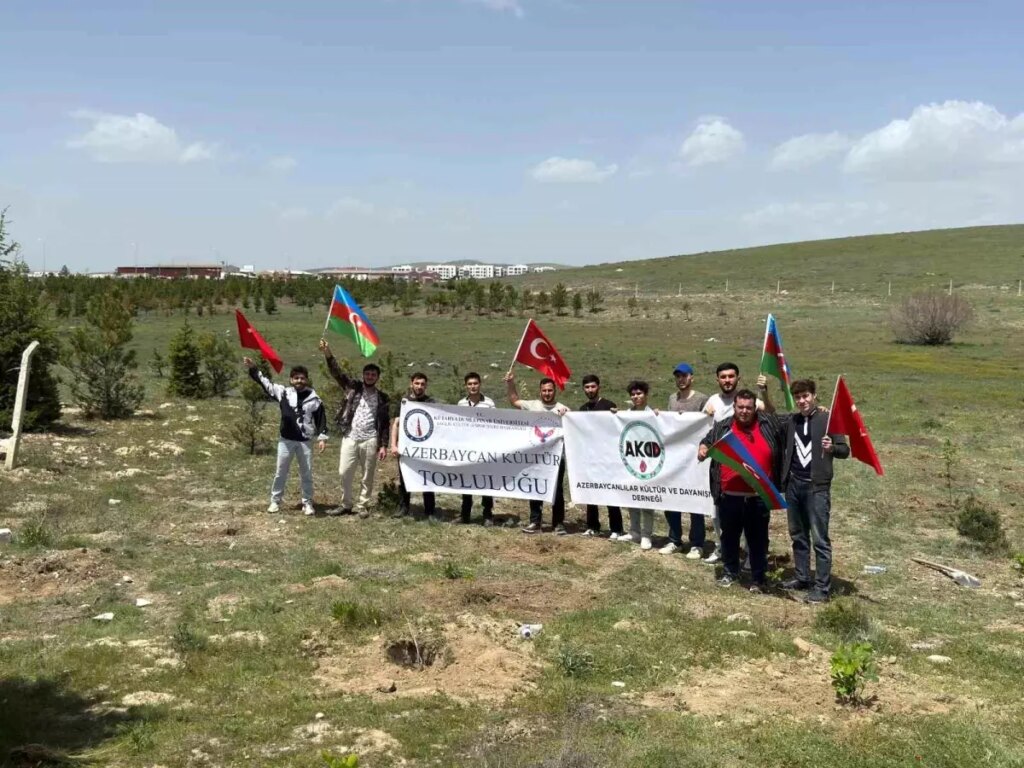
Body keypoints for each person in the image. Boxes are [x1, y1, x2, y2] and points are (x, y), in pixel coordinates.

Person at [759, 374, 849, 603]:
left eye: (805, 396)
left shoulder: (828, 420)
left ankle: (822, 588)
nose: (802, 401)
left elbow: (845, 450)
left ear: (814, 396)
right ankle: (802, 577)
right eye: (797, 397)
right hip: (794, 486)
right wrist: (765, 392)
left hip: (817, 488)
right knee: (798, 535)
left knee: (819, 539)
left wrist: (832, 448)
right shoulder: (792, 420)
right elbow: (770, 414)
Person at [698, 388, 784, 593]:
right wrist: (702, 447)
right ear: (734, 407)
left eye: (748, 407)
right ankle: (730, 572)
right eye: (740, 407)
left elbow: (789, 420)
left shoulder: (768, 424)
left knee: (758, 539)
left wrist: (821, 410)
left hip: (758, 494)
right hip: (729, 494)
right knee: (729, 536)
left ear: (755, 408)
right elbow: (707, 440)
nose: (744, 411)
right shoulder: (723, 425)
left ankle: (758, 578)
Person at [244, 358, 327, 517]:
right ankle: (275, 501)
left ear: (307, 380)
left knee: (307, 473)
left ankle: (307, 502)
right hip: (286, 440)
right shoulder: (283, 392)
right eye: (296, 378)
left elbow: (321, 419)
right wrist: (254, 368)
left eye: (302, 378)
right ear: (291, 379)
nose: (299, 381)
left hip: (305, 441)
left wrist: (322, 437)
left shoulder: (314, 398)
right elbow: (265, 383)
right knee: (281, 471)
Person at [700, 362, 763, 565]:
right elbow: (700, 428)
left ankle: (746, 553)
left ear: (738, 378)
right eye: (723, 377)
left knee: (746, 513)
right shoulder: (712, 401)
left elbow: (771, 413)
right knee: (718, 513)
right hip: (720, 467)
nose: (727, 380)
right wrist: (703, 415)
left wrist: (765, 394)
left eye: (731, 376)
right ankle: (723, 548)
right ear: (717, 379)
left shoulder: (749, 401)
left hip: (745, 465)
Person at [320, 339, 390, 519]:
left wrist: (383, 445)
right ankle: (346, 504)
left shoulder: (383, 398)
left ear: (377, 377)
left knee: (367, 475)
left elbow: (384, 423)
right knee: (344, 471)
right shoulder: (353, 388)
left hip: (370, 438)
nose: (370, 377)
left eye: (373, 374)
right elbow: (337, 373)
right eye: (367, 374)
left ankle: (362, 505)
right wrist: (328, 353)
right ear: (363, 375)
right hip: (350, 436)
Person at [504, 371, 570, 534]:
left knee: (557, 490)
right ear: (540, 391)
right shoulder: (532, 405)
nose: (547, 393)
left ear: (555, 391)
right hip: (536, 456)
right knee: (535, 486)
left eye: (550, 390)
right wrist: (511, 383)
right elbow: (514, 401)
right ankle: (535, 522)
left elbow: (573, 428)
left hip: (556, 457)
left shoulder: (563, 409)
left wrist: (567, 417)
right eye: (544, 390)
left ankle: (558, 523)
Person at [663, 362, 710, 559]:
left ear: (692, 378)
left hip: (694, 459)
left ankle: (697, 543)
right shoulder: (672, 399)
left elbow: (706, 423)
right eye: (678, 376)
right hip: (674, 457)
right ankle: (675, 539)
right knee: (671, 497)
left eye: (684, 376)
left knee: (694, 499)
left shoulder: (701, 399)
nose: (681, 380)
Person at [577, 374, 624, 539]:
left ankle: (616, 529)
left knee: (611, 492)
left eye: (593, 387)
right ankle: (592, 526)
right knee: (591, 492)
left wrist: (617, 414)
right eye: (587, 387)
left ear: (598, 387)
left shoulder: (609, 405)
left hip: (608, 457)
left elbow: (618, 426)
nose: (590, 390)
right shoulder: (582, 409)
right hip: (590, 457)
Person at [390, 372, 439, 521]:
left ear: (426, 386)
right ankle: (403, 508)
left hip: (426, 448)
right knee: (405, 478)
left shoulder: (431, 402)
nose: (419, 386)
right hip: (407, 447)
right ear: (411, 384)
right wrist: (393, 444)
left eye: (422, 384)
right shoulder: (404, 401)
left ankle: (430, 511)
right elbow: (396, 424)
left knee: (427, 478)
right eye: (417, 383)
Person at [615, 380, 657, 550]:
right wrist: (615, 415)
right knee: (632, 497)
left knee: (646, 499)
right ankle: (634, 531)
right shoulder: (626, 414)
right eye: (633, 394)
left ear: (646, 395)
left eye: (639, 393)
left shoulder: (653, 414)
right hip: (630, 460)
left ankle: (646, 534)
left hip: (648, 461)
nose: (636, 397)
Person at [457, 371, 496, 526]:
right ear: (466, 386)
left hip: (485, 448)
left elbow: (495, 423)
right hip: (467, 448)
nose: (473, 387)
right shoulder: (460, 403)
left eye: (475, 383)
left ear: (480, 384)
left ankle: (487, 514)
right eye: (470, 384)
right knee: (466, 480)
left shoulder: (489, 403)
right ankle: (465, 514)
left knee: (486, 480)